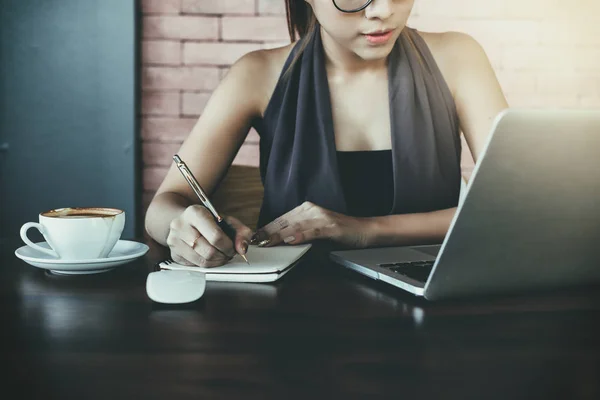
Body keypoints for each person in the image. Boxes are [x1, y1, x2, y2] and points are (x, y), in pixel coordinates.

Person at [144, 0, 508, 268]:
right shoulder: (257, 75)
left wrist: (366, 230)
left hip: (431, 299)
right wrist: (184, 228)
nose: (383, 10)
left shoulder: (459, 58)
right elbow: (165, 203)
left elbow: (510, 207)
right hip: (292, 311)